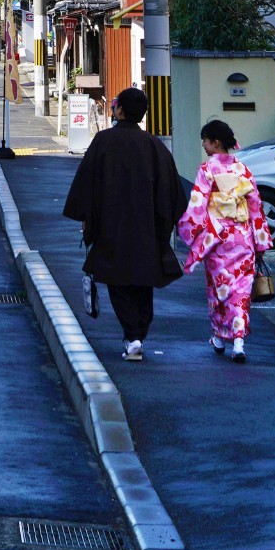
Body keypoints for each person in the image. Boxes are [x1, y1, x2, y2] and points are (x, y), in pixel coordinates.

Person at [62, 85, 187, 362]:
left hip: (112, 225)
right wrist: (164, 224)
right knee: (143, 279)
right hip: (148, 228)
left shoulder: (104, 141)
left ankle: (132, 335)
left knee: (118, 281)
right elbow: (173, 193)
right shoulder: (156, 146)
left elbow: (88, 184)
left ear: (119, 110)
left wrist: (87, 219)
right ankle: (137, 333)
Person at [177, 117, 273, 362]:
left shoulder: (207, 169)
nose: (203, 145)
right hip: (243, 238)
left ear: (215, 143)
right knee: (240, 291)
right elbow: (255, 207)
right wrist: (260, 241)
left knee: (219, 288)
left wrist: (187, 231)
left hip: (218, 239)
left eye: (205, 141)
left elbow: (198, 205)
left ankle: (219, 336)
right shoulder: (243, 169)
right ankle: (238, 341)